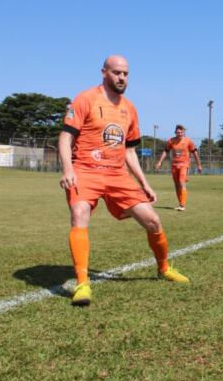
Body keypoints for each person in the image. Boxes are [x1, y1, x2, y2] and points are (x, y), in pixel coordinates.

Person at [59, 55, 190, 307]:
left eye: (126, 74)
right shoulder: (85, 98)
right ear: (104, 72)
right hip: (85, 170)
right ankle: (83, 284)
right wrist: (68, 170)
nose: (122, 78)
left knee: (153, 220)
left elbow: (129, 151)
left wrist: (144, 183)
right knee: (80, 213)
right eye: (117, 72)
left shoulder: (129, 108)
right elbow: (66, 137)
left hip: (117, 174)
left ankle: (163, 269)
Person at [155, 124, 202, 210]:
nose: (179, 133)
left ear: (184, 133)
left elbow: (195, 153)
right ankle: (180, 203)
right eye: (178, 132)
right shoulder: (171, 141)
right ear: (175, 132)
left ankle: (182, 205)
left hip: (184, 165)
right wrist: (159, 162)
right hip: (174, 165)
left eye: (181, 132)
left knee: (181, 182)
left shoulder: (188, 141)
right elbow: (165, 151)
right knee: (176, 185)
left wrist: (199, 165)